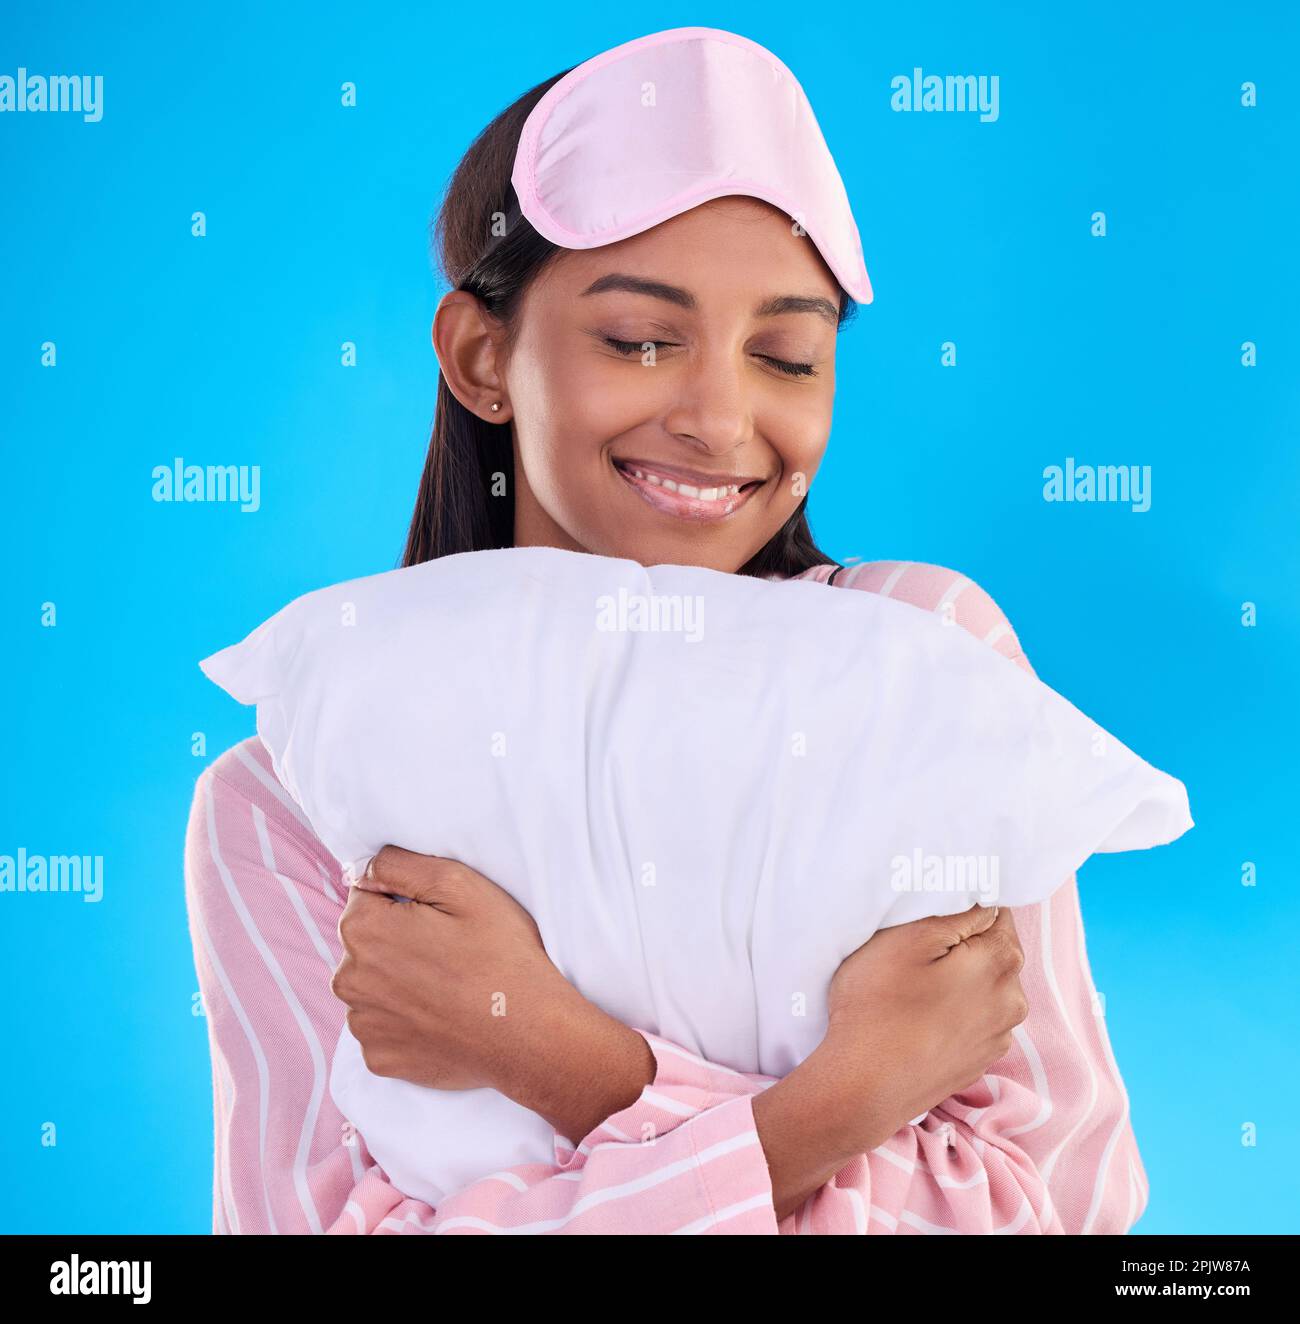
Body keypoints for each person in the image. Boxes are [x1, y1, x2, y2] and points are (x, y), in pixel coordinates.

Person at [183, 33, 1149, 1234]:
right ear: (483, 356)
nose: (719, 418)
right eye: (640, 339)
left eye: (786, 355)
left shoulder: (918, 662)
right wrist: (838, 1107)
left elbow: (1049, 1202)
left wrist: (555, 1056)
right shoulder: (291, 801)